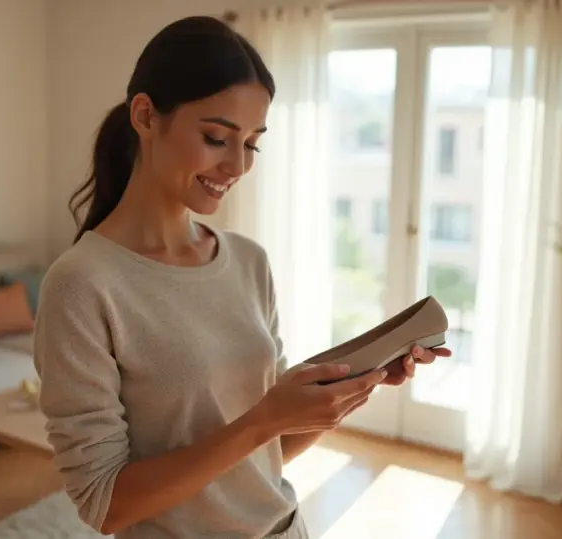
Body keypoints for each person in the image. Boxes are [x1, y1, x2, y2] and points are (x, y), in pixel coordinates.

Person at [32, 15, 451, 539]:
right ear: (145, 115)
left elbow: (266, 452)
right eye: (216, 138)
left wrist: (348, 391)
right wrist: (263, 420)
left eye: (252, 144)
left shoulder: (248, 262)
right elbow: (106, 505)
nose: (238, 166)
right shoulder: (80, 285)